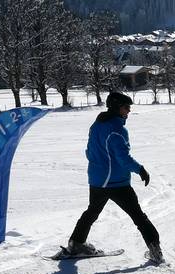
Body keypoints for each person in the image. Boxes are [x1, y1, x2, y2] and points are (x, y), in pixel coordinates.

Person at [65, 91, 163, 264]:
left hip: (97, 181)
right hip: (116, 183)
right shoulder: (117, 130)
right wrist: (141, 170)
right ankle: (155, 250)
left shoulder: (96, 125)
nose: (129, 110)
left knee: (91, 213)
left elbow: (89, 151)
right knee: (138, 216)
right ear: (117, 107)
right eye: (126, 107)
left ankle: (76, 244)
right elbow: (123, 158)